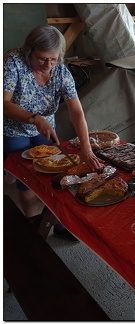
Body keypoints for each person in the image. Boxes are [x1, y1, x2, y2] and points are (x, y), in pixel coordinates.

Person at [3, 25, 103, 240]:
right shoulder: (13, 60)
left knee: (56, 175)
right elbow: (4, 103)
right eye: (42, 59)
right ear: (30, 51)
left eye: (54, 59)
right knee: (26, 179)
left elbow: (77, 111)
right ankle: (35, 226)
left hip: (45, 126)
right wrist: (33, 118)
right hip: (14, 128)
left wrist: (86, 149)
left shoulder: (60, 71)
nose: (48, 65)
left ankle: (57, 223)